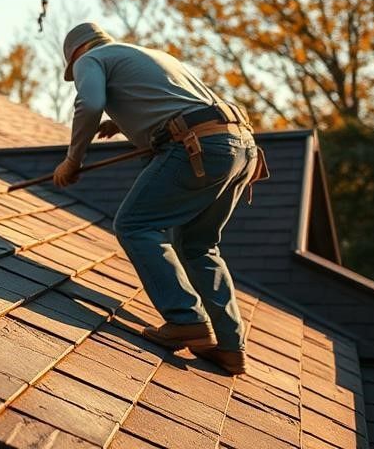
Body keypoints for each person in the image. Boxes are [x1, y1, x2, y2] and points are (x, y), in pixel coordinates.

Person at [52, 22, 266, 375]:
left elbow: (90, 104)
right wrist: (121, 124)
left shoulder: (90, 60)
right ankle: (231, 348)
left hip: (200, 146)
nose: (77, 76)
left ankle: (186, 319)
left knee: (135, 224)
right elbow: (181, 103)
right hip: (242, 148)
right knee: (199, 246)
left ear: (76, 56)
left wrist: (73, 159)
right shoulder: (150, 55)